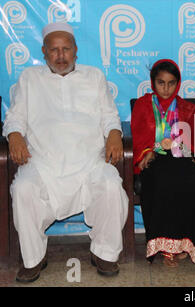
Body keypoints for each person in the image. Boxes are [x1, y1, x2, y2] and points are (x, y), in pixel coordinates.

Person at [2, 22, 129, 282]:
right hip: (44, 163)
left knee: (110, 186)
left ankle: (104, 252)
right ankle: (33, 258)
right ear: (44, 51)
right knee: (23, 189)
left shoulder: (93, 76)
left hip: (89, 160)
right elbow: (15, 118)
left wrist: (114, 134)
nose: (61, 56)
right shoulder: (30, 78)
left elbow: (109, 116)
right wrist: (14, 136)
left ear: (76, 51)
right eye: (54, 50)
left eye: (66, 49)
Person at [131, 59, 195, 268]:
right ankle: (165, 246)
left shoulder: (188, 108)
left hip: (182, 157)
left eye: (171, 83)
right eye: (161, 83)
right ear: (152, 83)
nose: (166, 89)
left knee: (192, 179)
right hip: (154, 159)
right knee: (163, 181)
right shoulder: (142, 105)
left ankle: (186, 244)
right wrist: (147, 152)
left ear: (178, 83)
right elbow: (138, 135)